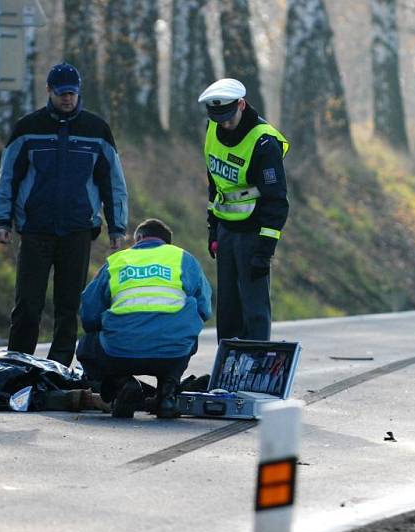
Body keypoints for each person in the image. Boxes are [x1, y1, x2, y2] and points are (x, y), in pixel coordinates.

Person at [0, 62, 128, 368]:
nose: (67, 99)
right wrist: (2, 220)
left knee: (69, 306)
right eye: (61, 93)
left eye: (72, 93)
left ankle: (58, 368)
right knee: (28, 304)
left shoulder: (97, 130)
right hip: (35, 228)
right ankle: (18, 364)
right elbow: (8, 177)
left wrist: (117, 227)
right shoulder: (27, 127)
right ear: (48, 92)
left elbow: (113, 183)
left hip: (78, 229)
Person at [76, 218, 212, 419]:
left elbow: (88, 314)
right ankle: (167, 392)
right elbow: (204, 310)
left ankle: (123, 384)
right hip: (172, 353)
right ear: (168, 244)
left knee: (87, 346)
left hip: (119, 352)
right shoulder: (183, 258)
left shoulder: (116, 262)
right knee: (188, 335)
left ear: (139, 238)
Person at [197, 78, 289, 341]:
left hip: (253, 233)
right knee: (227, 308)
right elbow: (215, 185)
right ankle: (227, 368)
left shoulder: (263, 142)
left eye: (228, 116)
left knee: (254, 308)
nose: (224, 124)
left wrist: (265, 249)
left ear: (241, 104)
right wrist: (213, 229)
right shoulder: (212, 129)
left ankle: (257, 368)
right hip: (226, 231)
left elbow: (277, 201)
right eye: (218, 118)